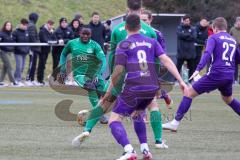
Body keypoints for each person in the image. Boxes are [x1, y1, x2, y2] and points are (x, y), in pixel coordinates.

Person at [74, 0, 168, 149]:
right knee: (152, 106)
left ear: (127, 9)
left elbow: (112, 56)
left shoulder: (117, 29)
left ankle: (87, 130)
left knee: (104, 102)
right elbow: (154, 60)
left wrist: (111, 76)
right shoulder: (150, 32)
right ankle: (158, 141)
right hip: (142, 77)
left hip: (121, 75)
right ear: (141, 10)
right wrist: (155, 79)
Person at [103, 13, 187, 160]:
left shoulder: (123, 45)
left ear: (125, 27)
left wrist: (109, 91)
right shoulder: (151, 41)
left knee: (114, 120)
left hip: (135, 86)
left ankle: (129, 150)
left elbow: (118, 72)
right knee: (138, 114)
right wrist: (181, 81)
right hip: (151, 87)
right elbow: (166, 60)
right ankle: (145, 150)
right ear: (140, 26)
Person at [163, 17, 240, 132]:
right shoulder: (233, 40)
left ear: (214, 28)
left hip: (216, 74)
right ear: (226, 28)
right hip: (229, 75)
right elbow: (238, 59)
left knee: (188, 93)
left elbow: (207, 53)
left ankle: (175, 123)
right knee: (228, 99)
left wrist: (198, 69)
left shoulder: (213, 37)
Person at [59, 27, 107, 134]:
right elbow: (63, 54)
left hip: (94, 74)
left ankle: (108, 111)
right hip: (80, 75)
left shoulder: (95, 45)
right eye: (83, 34)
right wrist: (62, 69)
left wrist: (98, 73)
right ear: (79, 34)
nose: (85, 36)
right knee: (90, 87)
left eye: (87, 34)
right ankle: (100, 115)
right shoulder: (72, 43)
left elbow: (103, 59)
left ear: (91, 35)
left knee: (104, 93)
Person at [0, 21, 21, 87]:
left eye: (9, 25)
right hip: (3, 52)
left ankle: (0, 81)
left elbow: (14, 41)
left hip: (10, 52)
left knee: (5, 67)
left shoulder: (12, 34)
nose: (8, 26)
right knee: (10, 67)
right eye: (7, 25)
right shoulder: (1, 34)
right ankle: (13, 82)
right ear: (5, 26)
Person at [176, 15, 197, 81]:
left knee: (191, 67)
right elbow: (179, 35)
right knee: (178, 67)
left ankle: (190, 80)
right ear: (183, 21)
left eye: (188, 21)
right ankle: (176, 80)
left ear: (189, 21)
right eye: (185, 21)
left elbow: (193, 37)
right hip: (181, 52)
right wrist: (188, 35)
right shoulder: (179, 28)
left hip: (190, 52)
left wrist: (184, 36)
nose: (186, 22)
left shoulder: (193, 29)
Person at [37, 20, 56, 85]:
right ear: (47, 24)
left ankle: (40, 79)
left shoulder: (50, 31)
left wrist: (52, 33)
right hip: (42, 50)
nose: (51, 26)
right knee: (41, 65)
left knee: (43, 65)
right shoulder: (42, 31)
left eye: (52, 25)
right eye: (50, 24)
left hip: (47, 50)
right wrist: (51, 36)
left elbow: (54, 39)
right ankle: (39, 80)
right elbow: (45, 40)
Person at [26, 12, 41, 86]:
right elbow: (32, 38)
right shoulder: (32, 26)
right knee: (32, 64)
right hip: (33, 48)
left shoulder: (31, 25)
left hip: (34, 48)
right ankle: (28, 79)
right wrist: (38, 44)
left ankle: (32, 79)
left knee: (34, 64)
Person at [12, 18, 30, 84]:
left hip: (25, 52)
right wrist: (20, 48)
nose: (26, 26)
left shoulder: (27, 32)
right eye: (24, 25)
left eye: (26, 25)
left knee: (22, 67)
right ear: (21, 24)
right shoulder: (15, 32)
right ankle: (17, 80)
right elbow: (13, 42)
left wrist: (27, 49)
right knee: (18, 66)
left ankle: (15, 79)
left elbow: (28, 42)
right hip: (18, 52)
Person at [229, 17, 240, 83]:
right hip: (235, 48)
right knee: (235, 64)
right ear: (236, 22)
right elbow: (229, 36)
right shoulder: (232, 29)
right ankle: (234, 79)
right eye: (238, 21)